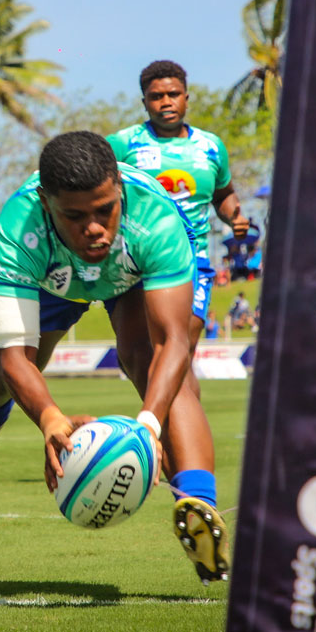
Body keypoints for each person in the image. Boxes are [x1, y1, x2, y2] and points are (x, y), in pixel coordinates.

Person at [0, 132, 231, 584]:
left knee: (154, 364)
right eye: (74, 216)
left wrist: (149, 425)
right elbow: (16, 356)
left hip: (128, 276)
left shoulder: (156, 215)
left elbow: (173, 342)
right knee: (4, 368)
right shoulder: (18, 224)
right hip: (52, 278)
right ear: (46, 203)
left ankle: (198, 509)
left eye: (105, 210)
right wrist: (50, 418)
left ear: (119, 189)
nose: (94, 228)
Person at [106, 60, 249, 396]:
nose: (166, 102)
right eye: (156, 96)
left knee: (179, 351)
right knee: (135, 356)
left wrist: (234, 217)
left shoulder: (211, 147)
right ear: (145, 102)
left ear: (186, 97)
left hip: (191, 259)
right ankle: (161, 421)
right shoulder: (123, 144)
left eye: (173, 94)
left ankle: (167, 428)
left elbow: (223, 194)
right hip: (136, 261)